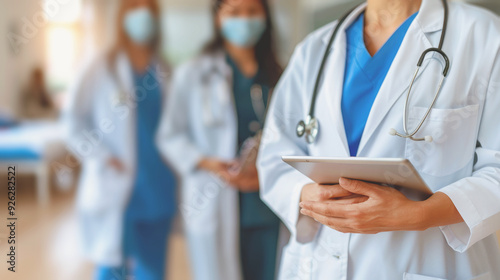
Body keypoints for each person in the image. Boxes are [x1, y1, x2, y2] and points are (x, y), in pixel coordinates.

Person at [257, 0, 500, 279]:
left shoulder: (485, 37)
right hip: (318, 263)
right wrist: (306, 195)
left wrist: (419, 215)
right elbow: (274, 156)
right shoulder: (315, 49)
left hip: (428, 262)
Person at [157, 0, 283, 279]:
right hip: (215, 195)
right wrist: (204, 161)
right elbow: (169, 134)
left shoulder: (280, 75)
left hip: (269, 205)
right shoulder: (194, 73)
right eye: (234, 13)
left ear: (265, 17)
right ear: (217, 18)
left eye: (252, 12)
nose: (244, 20)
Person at [65, 0, 176, 279]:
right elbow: (73, 121)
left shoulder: (163, 69)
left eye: (148, 9)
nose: (142, 16)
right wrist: (101, 155)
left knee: (153, 270)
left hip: (159, 184)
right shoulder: (100, 66)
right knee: (110, 268)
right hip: (116, 182)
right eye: (134, 7)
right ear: (122, 16)